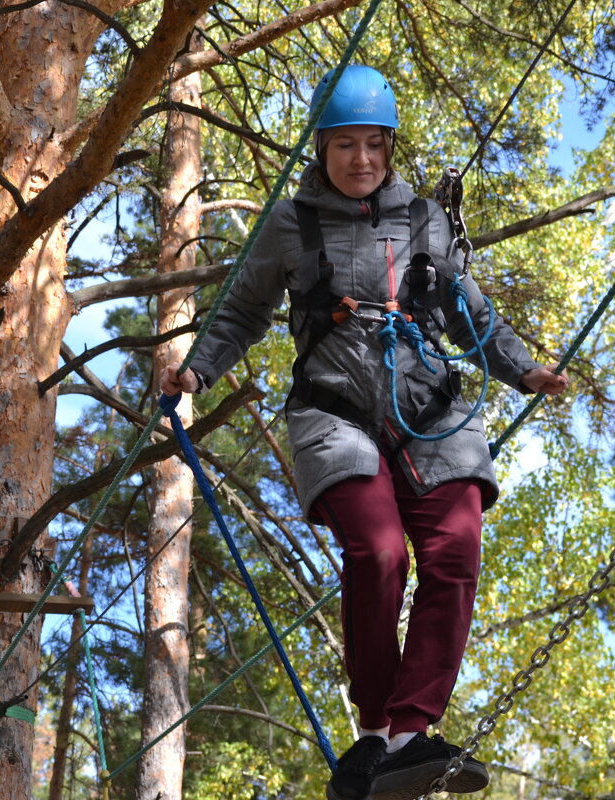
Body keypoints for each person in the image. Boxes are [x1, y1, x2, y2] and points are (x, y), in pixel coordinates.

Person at [161, 64, 568, 800]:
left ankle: (414, 733)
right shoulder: (291, 225)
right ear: (321, 149)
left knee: (455, 549)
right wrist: (198, 371)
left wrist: (525, 370)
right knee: (378, 551)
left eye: (374, 145)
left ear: (388, 148)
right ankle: (376, 729)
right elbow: (243, 310)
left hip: (430, 416)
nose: (361, 160)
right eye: (345, 145)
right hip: (334, 412)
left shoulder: (423, 222)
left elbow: (469, 312)